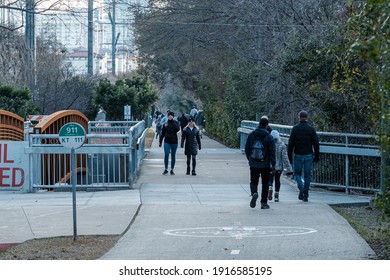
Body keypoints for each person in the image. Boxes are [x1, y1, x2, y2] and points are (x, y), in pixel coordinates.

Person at [288, 110, 320, 202]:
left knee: (297, 174)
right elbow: (316, 143)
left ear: (299, 117)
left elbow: (290, 144)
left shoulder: (295, 129)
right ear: (307, 118)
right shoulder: (311, 129)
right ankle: (306, 195)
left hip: (298, 154)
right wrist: (317, 156)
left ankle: (300, 186)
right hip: (308, 155)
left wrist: (290, 157)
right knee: (307, 176)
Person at [245, 117, 276, 209]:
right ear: (267, 125)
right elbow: (272, 152)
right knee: (265, 183)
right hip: (265, 164)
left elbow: (247, 148)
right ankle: (263, 203)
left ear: (258, 124)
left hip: (253, 163)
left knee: (253, 181)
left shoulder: (252, 135)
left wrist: (250, 159)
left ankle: (254, 193)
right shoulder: (269, 137)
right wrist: (273, 164)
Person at [268, 130, 293, 202]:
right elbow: (285, 158)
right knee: (277, 180)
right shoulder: (282, 145)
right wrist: (289, 169)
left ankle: (270, 188)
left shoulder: (269, 144)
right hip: (279, 167)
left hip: (270, 166)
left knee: (270, 179)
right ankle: (276, 196)